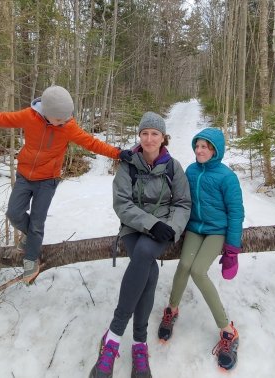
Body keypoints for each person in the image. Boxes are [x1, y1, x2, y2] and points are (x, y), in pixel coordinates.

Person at [0, 85, 132, 283]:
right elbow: (0, 119)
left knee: (37, 223)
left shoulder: (68, 126)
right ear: (47, 112)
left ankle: (31, 258)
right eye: (59, 119)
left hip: (47, 180)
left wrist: (117, 152)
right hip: (24, 176)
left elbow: (91, 143)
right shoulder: (29, 116)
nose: (64, 122)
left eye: (66, 118)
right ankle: (32, 237)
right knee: (13, 213)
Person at [89, 111, 191, 378]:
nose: (148, 138)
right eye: (144, 133)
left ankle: (113, 337)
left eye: (154, 134)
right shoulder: (128, 166)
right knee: (149, 266)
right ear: (140, 136)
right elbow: (122, 204)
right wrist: (150, 223)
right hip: (134, 227)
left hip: (164, 228)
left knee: (146, 255)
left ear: (163, 137)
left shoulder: (173, 167)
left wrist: (172, 228)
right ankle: (138, 343)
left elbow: (183, 203)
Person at [157, 127, 244, 371]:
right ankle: (172, 309)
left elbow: (236, 213)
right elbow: (181, 201)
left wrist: (232, 249)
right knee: (184, 265)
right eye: (197, 146)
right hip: (194, 228)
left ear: (215, 150)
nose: (199, 150)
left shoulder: (227, 177)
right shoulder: (192, 171)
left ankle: (228, 330)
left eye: (205, 147)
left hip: (217, 230)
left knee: (198, 271)